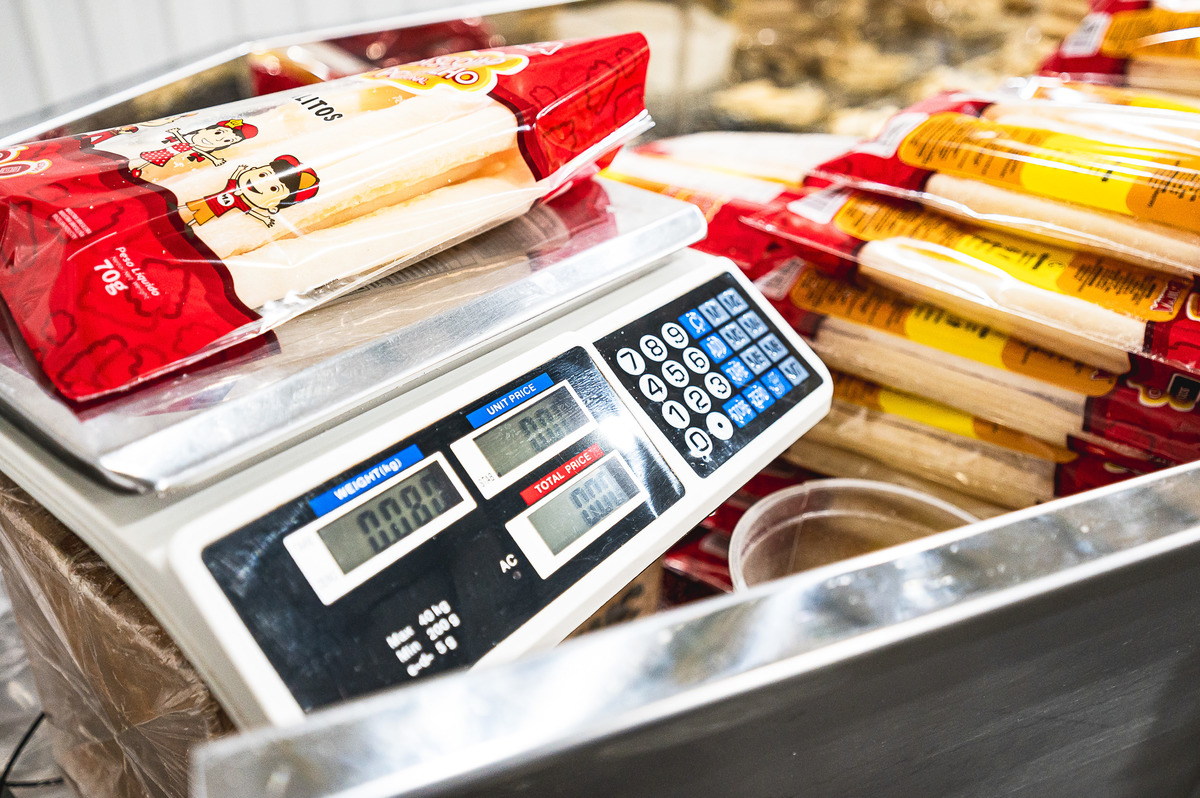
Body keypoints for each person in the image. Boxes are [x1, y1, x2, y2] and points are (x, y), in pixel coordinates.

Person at [183, 154, 319, 228]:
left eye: (274, 189)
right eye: (263, 175)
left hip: (216, 210)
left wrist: (265, 219)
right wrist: (239, 170)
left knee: (200, 218)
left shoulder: (244, 204)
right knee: (192, 206)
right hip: (209, 199)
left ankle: (187, 227)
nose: (260, 184)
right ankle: (180, 213)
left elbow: (252, 212)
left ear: (274, 207)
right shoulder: (234, 187)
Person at [128, 119, 258, 175]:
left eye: (227, 140)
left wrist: (215, 160)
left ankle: (138, 168)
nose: (218, 139)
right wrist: (175, 133)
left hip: (173, 154)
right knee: (153, 157)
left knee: (158, 160)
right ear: (202, 130)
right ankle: (136, 166)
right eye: (218, 132)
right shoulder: (192, 140)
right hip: (168, 150)